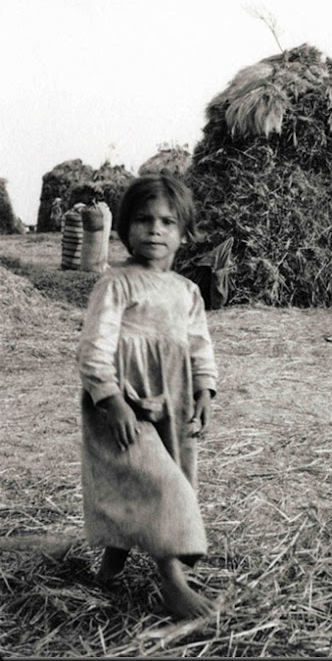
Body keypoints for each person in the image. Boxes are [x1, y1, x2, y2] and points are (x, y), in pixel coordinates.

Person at [77, 174, 218, 619]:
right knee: (159, 484)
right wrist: (110, 397)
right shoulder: (116, 284)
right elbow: (93, 347)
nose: (155, 230)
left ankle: (111, 567)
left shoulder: (187, 291)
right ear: (124, 227)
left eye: (167, 222)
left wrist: (204, 388)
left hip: (172, 401)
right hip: (126, 403)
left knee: (170, 477)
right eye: (143, 220)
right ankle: (172, 581)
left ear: (184, 233)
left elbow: (199, 345)